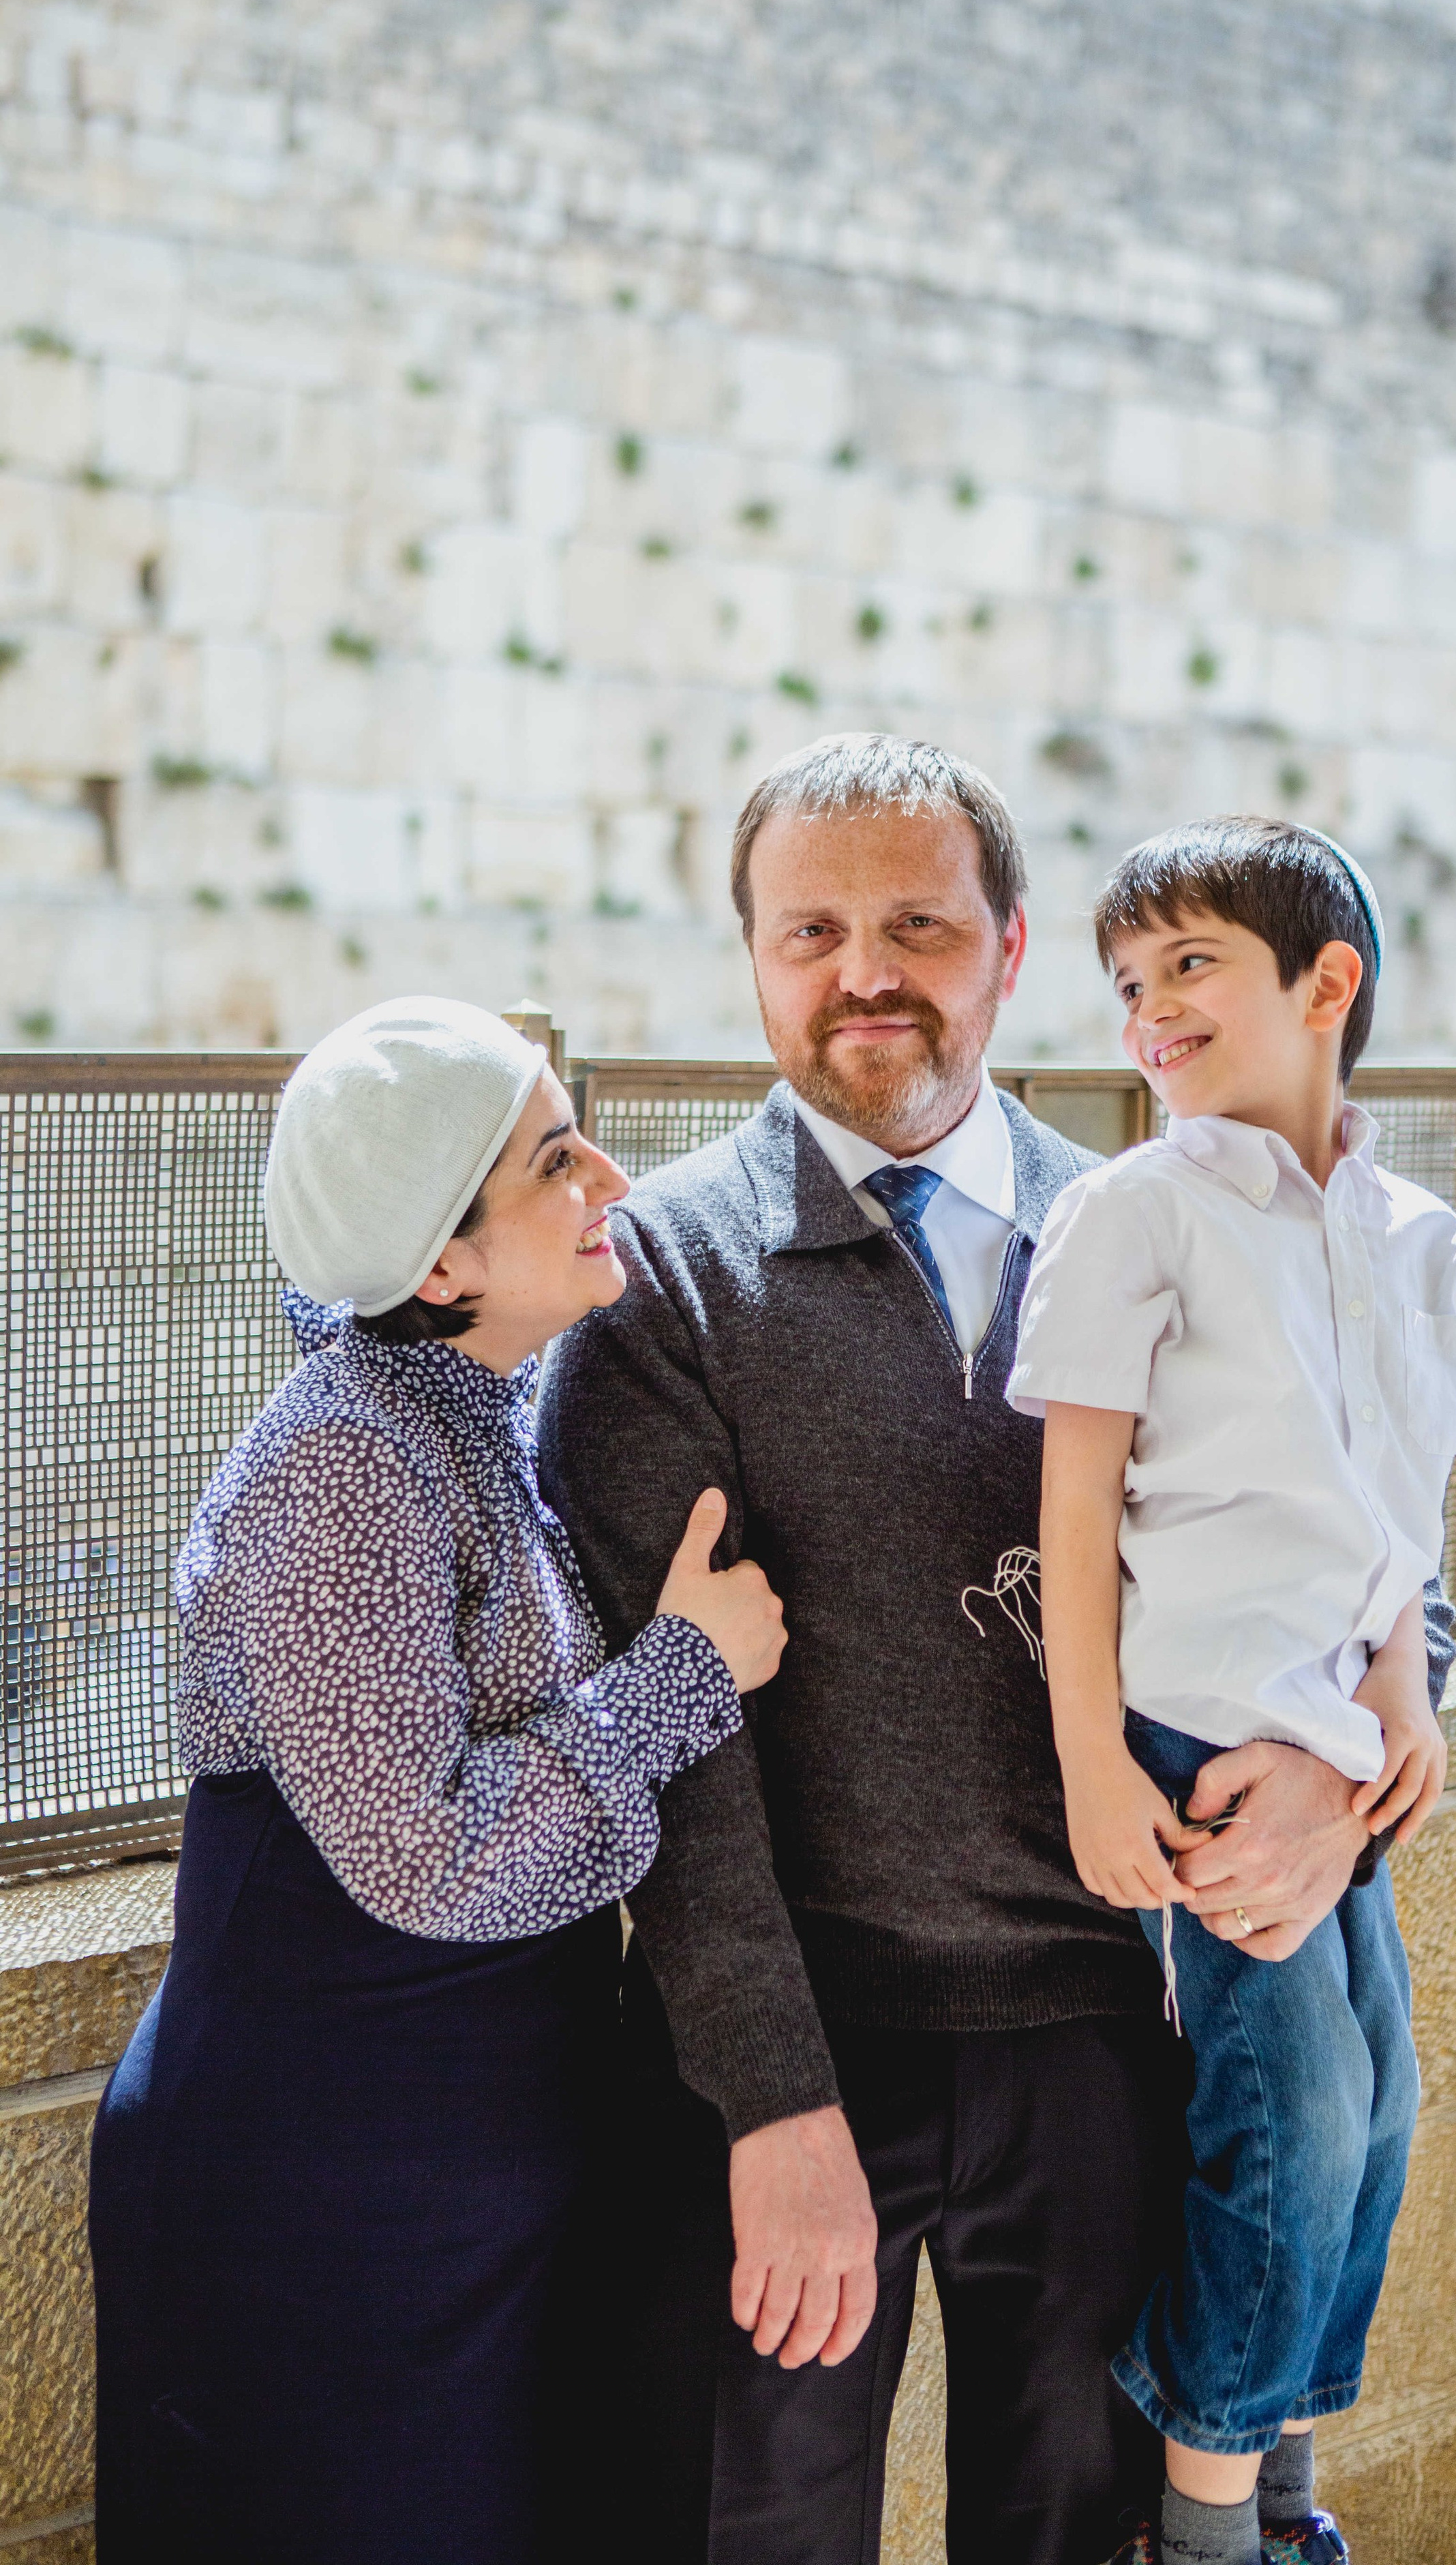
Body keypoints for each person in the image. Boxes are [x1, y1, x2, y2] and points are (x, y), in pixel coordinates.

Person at [539, 738, 1456, 2565]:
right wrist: (775, 2101)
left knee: (1077, 2537)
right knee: (753, 2536)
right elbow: (677, 1749)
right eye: (811, 929)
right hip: (803, 2049)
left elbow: (1376, 1544)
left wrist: (1346, 1768)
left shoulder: (1183, 1215)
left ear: (1012, 949)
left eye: (917, 925)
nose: (863, 970)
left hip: (1110, 2038)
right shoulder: (659, 1286)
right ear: (751, 958)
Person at [89, 995, 786, 2565]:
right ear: (440, 1265)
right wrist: (684, 1670)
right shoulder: (343, 1463)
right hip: (317, 2201)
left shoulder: (474, 1401)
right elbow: (432, 1858)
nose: (609, 1172)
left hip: (447, 2180)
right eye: (554, 1161)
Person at [1009, 818, 1456, 2565]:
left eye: (1187, 966)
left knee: (1379, 2117)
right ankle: (1203, 2529)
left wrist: (1407, 1708)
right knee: (1282, 2127)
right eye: (1127, 985)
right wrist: (1083, 1763)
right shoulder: (1132, 1209)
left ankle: (1281, 2486)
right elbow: (1070, 1508)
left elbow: (1398, 1525)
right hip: (1194, 1732)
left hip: (1345, 1738)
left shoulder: (1420, 1238)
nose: (1147, 1013)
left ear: (1325, 983)